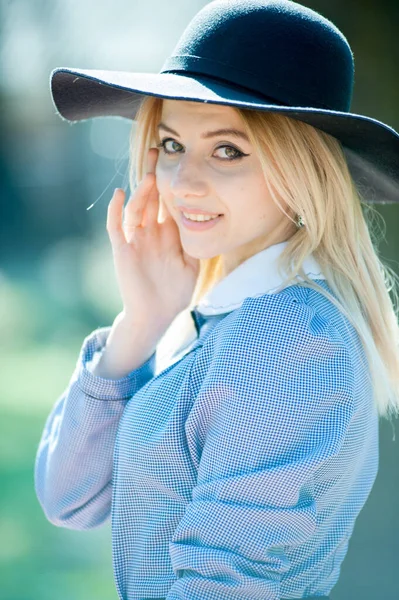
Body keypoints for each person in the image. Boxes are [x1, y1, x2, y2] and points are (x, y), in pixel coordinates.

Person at [35, 1, 399, 599]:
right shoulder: (223, 322)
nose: (182, 181)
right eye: (172, 144)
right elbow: (69, 498)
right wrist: (142, 324)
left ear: (301, 170)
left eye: (228, 150)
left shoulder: (289, 339)